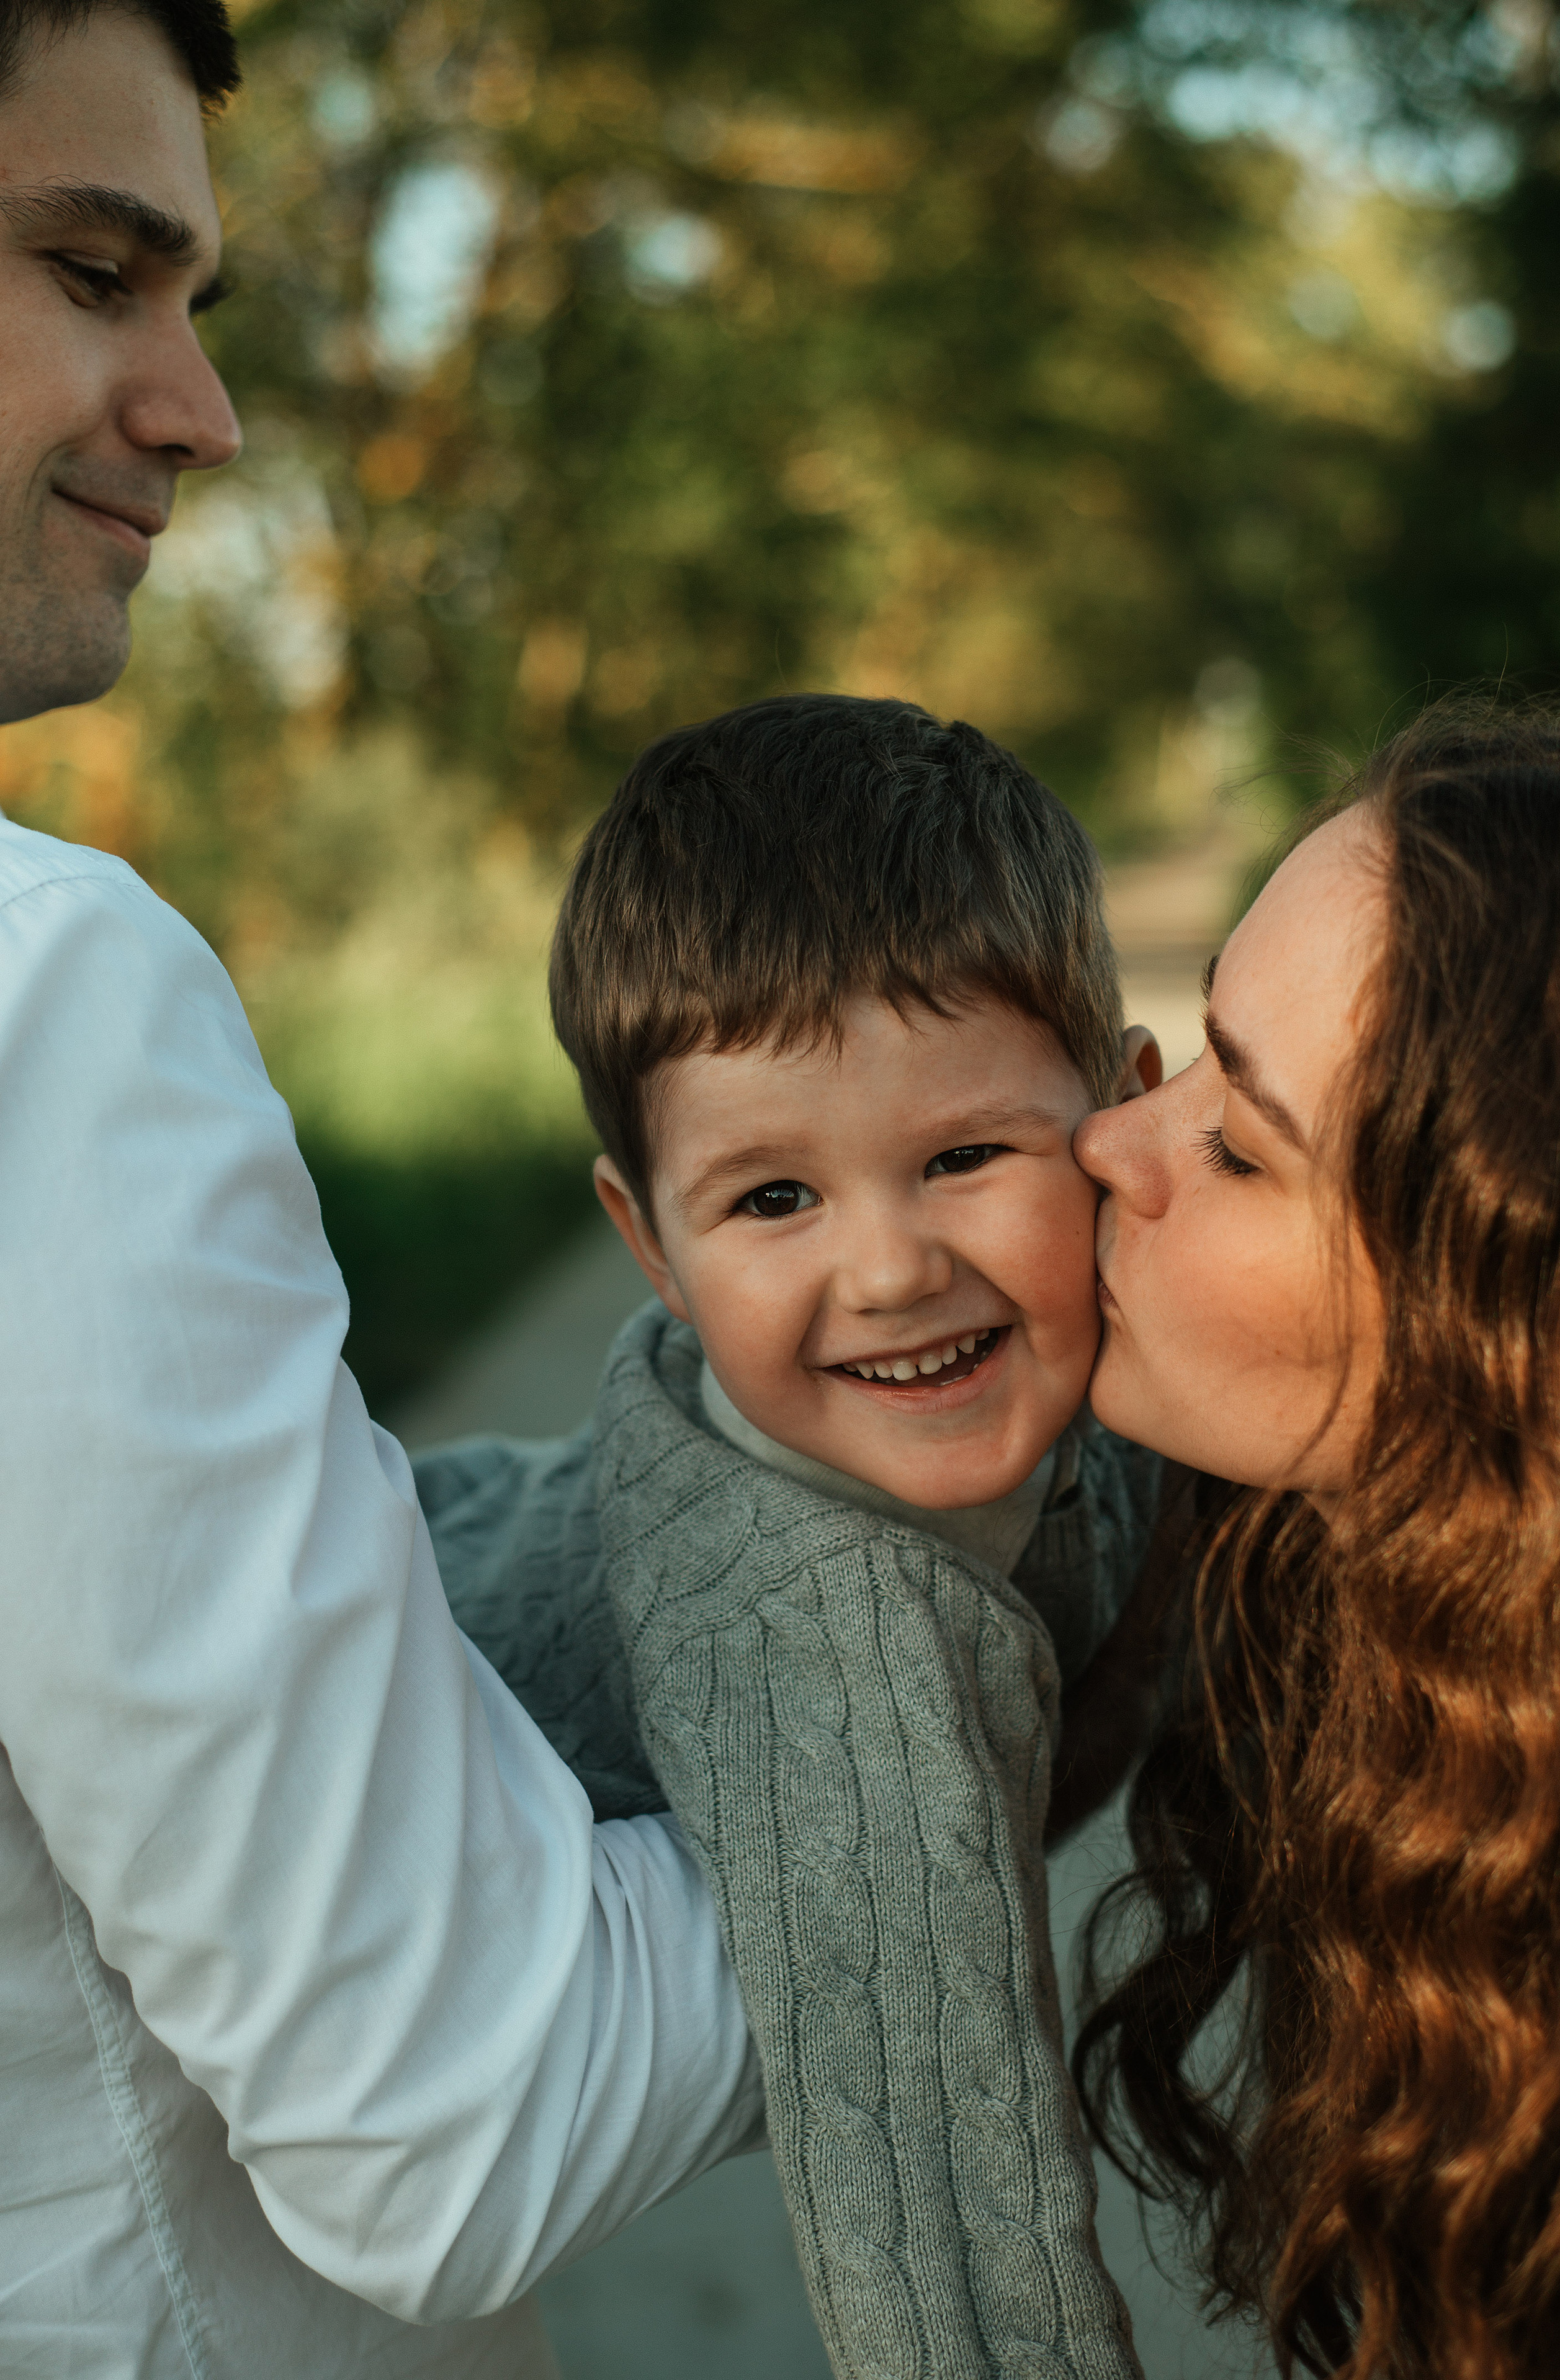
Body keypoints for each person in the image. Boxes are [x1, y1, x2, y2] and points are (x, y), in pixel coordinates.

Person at [0, 6, 768, 2372]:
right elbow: (454, 2111)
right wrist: (1010, 1690)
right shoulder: (50, 1003)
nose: (202, 412)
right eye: (93, 271)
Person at [416, 693, 1176, 2378]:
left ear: (1128, 1122)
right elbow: (944, 2231)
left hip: (486, 1512)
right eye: (774, 1198)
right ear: (652, 1243)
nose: (893, 1267)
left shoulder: (1151, 1366)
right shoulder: (834, 1644)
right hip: (351, 1660)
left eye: (965, 1154)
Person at [1070, 698, 1560, 2380]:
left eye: (1236, 1142)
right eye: (1194, 1044)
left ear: (1494, 1335)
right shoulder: (1387, 1660)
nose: (1112, 1139)